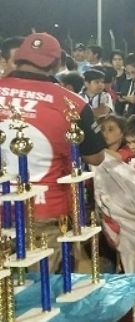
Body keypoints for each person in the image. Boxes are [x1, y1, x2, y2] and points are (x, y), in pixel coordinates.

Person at [0, 33, 106, 223]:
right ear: (56, 64)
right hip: (46, 211)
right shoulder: (73, 103)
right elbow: (96, 158)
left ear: (18, 58)